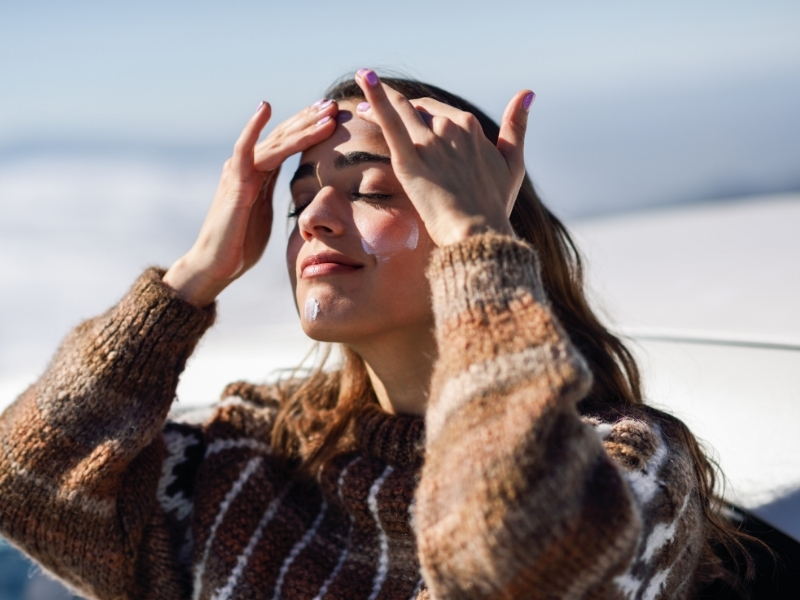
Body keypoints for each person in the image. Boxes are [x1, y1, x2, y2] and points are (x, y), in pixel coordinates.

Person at [0, 69, 750, 599]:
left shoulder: (624, 469)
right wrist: (195, 272)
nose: (318, 218)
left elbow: (513, 567)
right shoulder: (254, 451)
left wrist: (476, 245)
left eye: (374, 191)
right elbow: (26, 482)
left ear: (482, 229)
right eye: (299, 204)